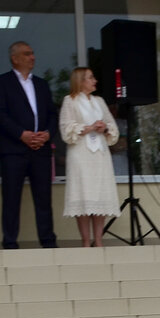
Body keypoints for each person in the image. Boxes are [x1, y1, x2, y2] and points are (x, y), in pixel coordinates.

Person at [0, 41, 58, 249]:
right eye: (27, 54)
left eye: (33, 53)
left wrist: (46, 134)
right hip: (14, 150)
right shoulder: (2, 82)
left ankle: (48, 241)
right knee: (11, 197)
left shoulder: (42, 84)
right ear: (15, 58)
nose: (32, 57)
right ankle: (10, 242)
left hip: (41, 149)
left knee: (43, 198)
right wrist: (22, 134)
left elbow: (52, 114)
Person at [58, 67, 119, 248]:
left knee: (99, 195)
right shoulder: (70, 101)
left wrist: (104, 128)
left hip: (100, 154)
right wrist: (90, 127)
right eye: (91, 78)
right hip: (81, 154)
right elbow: (66, 129)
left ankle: (98, 240)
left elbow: (112, 127)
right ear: (81, 81)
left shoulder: (99, 101)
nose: (95, 81)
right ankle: (86, 241)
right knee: (83, 194)